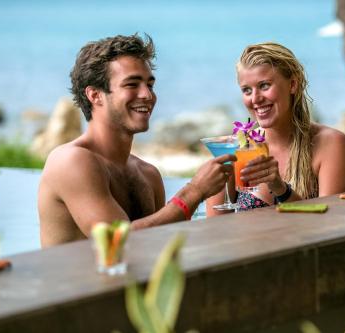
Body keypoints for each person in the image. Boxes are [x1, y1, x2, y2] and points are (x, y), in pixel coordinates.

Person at [38, 34, 235, 247]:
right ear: (95, 95)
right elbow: (115, 242)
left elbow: (156, 248)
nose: (147, 95)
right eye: (132, 84)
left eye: (149, 85)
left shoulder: (148, 175)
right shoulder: (70, 161)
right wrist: (194, 191)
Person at [206, 42, 345, 215]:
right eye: (246, 90)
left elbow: (330, 223)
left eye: (264, 85)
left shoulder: (331, 143)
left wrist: (281, 189)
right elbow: (215, 226)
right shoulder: (236, 147)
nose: (255, 99)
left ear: (292, 85)